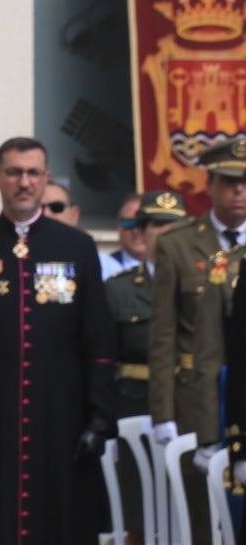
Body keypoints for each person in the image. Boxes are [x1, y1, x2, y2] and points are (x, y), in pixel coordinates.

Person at [0, 136, 115, 545]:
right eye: (14, 172)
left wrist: (100, 417)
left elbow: (98, 342)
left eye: (33, 173)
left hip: (62, 418)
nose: (24, 182)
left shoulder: (78, 247)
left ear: (46, 178)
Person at [147, 142, 246, 543]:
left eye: (245, 183)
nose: (238, 191)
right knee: (202, 515)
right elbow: (163, 336)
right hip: (198, 401)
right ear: (210, 184)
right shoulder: (177, 243)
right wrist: (163, 414)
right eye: (229, 182)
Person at [105, 191, 189, 544]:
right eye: (157, 224)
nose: (166, 233)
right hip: (135, 409)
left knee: (192, 512)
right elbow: (102, 359)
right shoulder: (118, 291)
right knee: (139, 515)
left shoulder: (202, 285)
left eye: (174, 225)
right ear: (140, 232)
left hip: (191, 406)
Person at [103, 193, 147, 280]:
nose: (136, 230)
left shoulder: (172, 267)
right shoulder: (103, 266)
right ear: (118, 227)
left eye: (142, 223)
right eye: (129, 223)